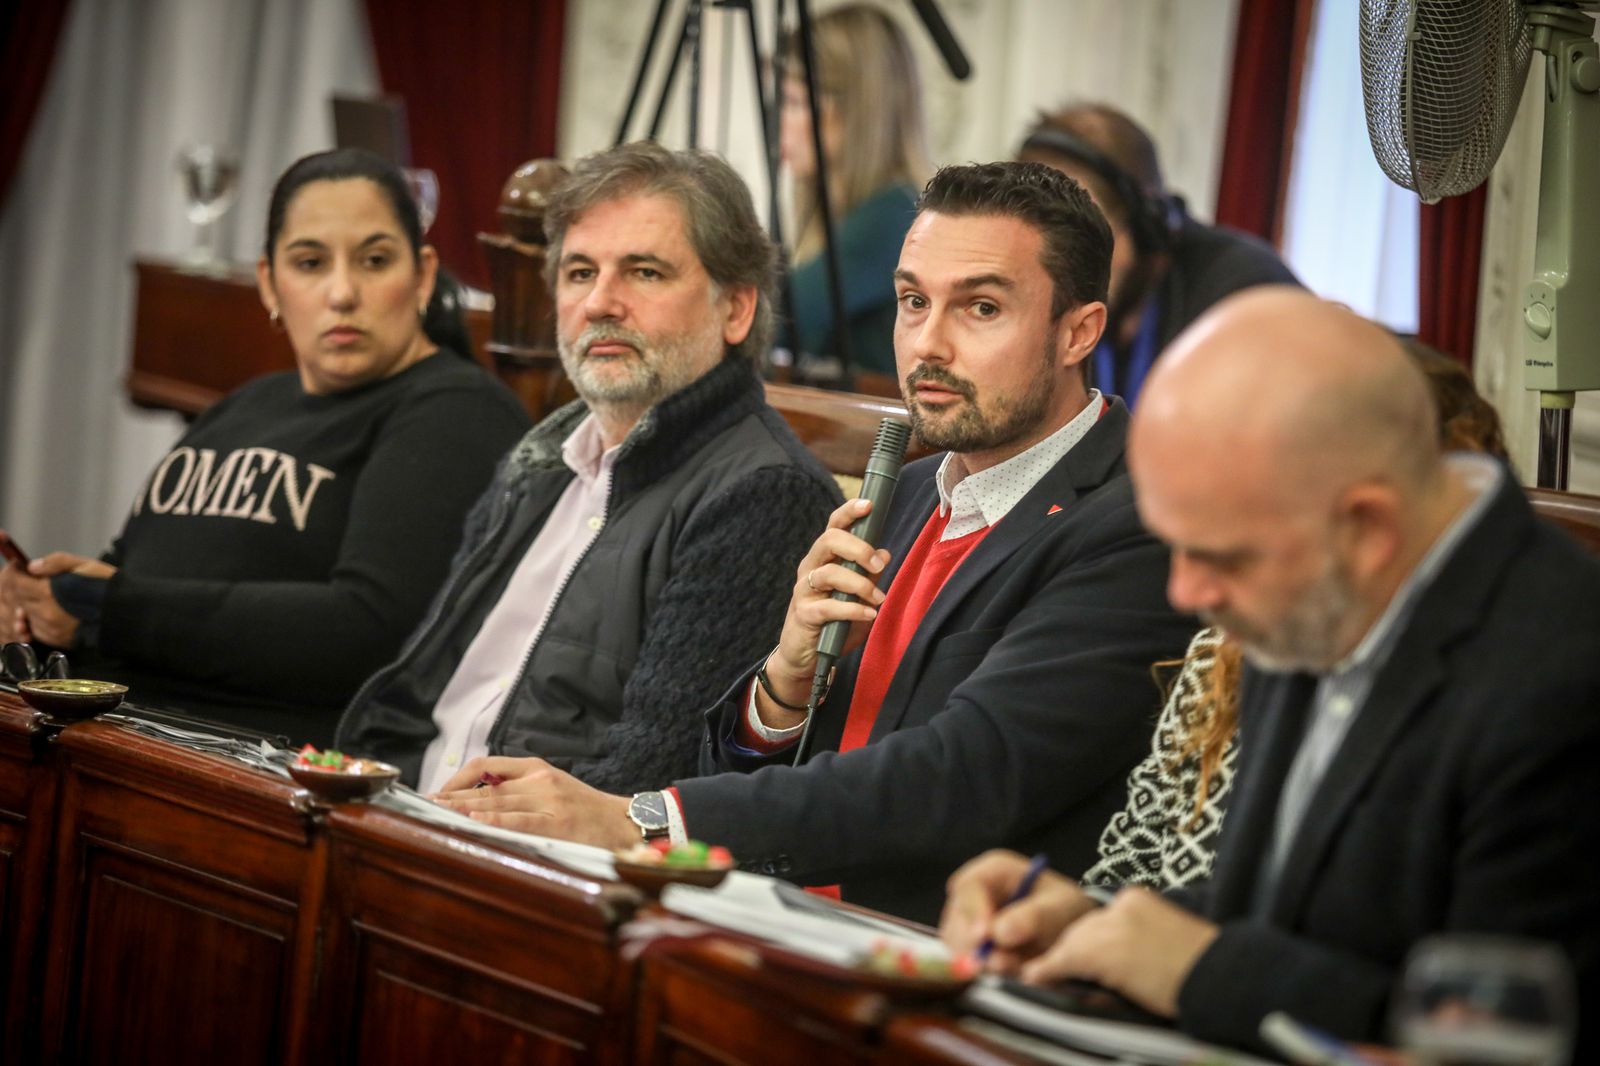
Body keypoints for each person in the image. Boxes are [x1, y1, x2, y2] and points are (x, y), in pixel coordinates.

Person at [429, 161, 1197, 926]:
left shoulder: (1138, 525)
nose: (927, 344)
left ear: (1078, 332)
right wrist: (782, 689)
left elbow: (964, 778)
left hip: (940, 959)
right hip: (773, 921)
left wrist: (646, 820)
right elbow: (748, 763)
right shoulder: (902, 498)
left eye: (982, 308)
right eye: (911, 301)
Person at [942, 289, 1600, 1057]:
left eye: (1219, 555)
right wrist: (1092, 921)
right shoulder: (1315, 586)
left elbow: (1497, 1035)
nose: (1186, 594)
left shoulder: (1564, 676)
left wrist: (1200, 970)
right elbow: (1288, 908)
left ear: (1368, 528)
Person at [335, 142, 841, 797]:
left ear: (736, 308)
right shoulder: (542, 456)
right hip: (399, 818)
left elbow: (656, 778)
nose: (601, 303)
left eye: (645, 273)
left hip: (529, 868)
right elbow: (418, 697)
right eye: (579, 273)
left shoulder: (765, 494)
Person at [0, 148, 529, 743]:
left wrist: (107, 610)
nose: (342, 292)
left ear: (424, 276)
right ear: (269, 284)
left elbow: (366, 634)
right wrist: (41, 604)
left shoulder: (456, 411)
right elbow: (129, 571)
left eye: (375, 260)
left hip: (261, 781)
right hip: (110, 739)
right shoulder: (244, 404)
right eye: (309, 262)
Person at [1083, 337, 1513, 893]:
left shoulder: (1515, 686)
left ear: (1367, 526)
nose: (1186, 592)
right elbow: (1134, 860)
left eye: (1229, 550)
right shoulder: (1234, 645)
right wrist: (1068, 919)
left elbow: (1425, 961)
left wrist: (1191, 960)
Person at [1019, 102, 1299, 407]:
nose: (1059, 267)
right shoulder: (1055, 313)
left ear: (1147, 229)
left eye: (1080, 240)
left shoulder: (1246, 293)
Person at [779, 3, 930, 379]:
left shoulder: (890, 217)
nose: (778, 121)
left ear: (857, 111)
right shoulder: (860, 212)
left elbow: (771, 321)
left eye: (794, 103)